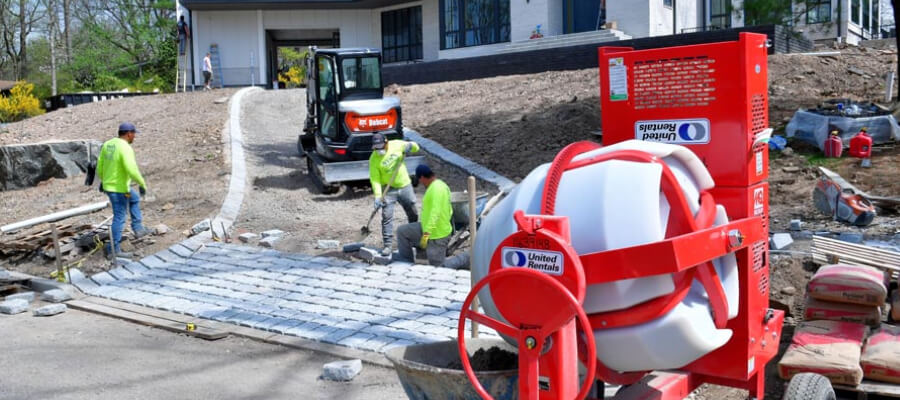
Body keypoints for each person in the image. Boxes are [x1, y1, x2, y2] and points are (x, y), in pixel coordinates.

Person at [96, 122, 149, 259]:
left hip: (112, 186)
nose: (135, 137)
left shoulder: (108, 144)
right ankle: (113, 249)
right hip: (118, 190)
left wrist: (104, 180)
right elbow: (131, 169)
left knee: (134, 198)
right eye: (134, 134)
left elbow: (100, 166)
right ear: (129, 134)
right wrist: (142, 183)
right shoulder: (125, 148)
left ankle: (138, 229)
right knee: (119, 216)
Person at [369, 132, 420, 256]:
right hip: (388, 189)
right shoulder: (374, 159)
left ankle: (414, 239)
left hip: (404, 185)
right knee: (386, 216)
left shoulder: (396, 145)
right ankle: (387, 245)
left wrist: (410, 146)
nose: (379, 149)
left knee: (413, 211)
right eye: (376, 147)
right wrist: (377, 196)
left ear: (386, 142)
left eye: (381, 145)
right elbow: (375, 179)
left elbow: (416, 146)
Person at [396, 164, 453, 266]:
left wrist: (426, 234)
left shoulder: (436, 189)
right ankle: (405, 265)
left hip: (437, 235)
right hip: (426, 228)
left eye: (420, 180)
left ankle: (463, 260)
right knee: (402, 231)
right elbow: (450, 210)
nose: (421, 183)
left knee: (437, 268)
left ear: (422, 177)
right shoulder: (439, 184)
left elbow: (435, 213)